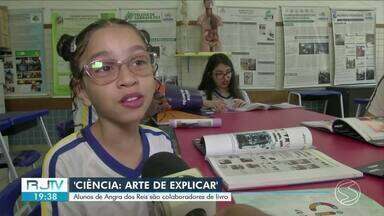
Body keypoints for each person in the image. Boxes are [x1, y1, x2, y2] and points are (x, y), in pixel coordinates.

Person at [42, 18, 174, 215]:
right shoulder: (61, 162)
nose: (128, 79)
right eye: (104, 67)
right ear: (82, 90)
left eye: (138, 61)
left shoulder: (162, 142)